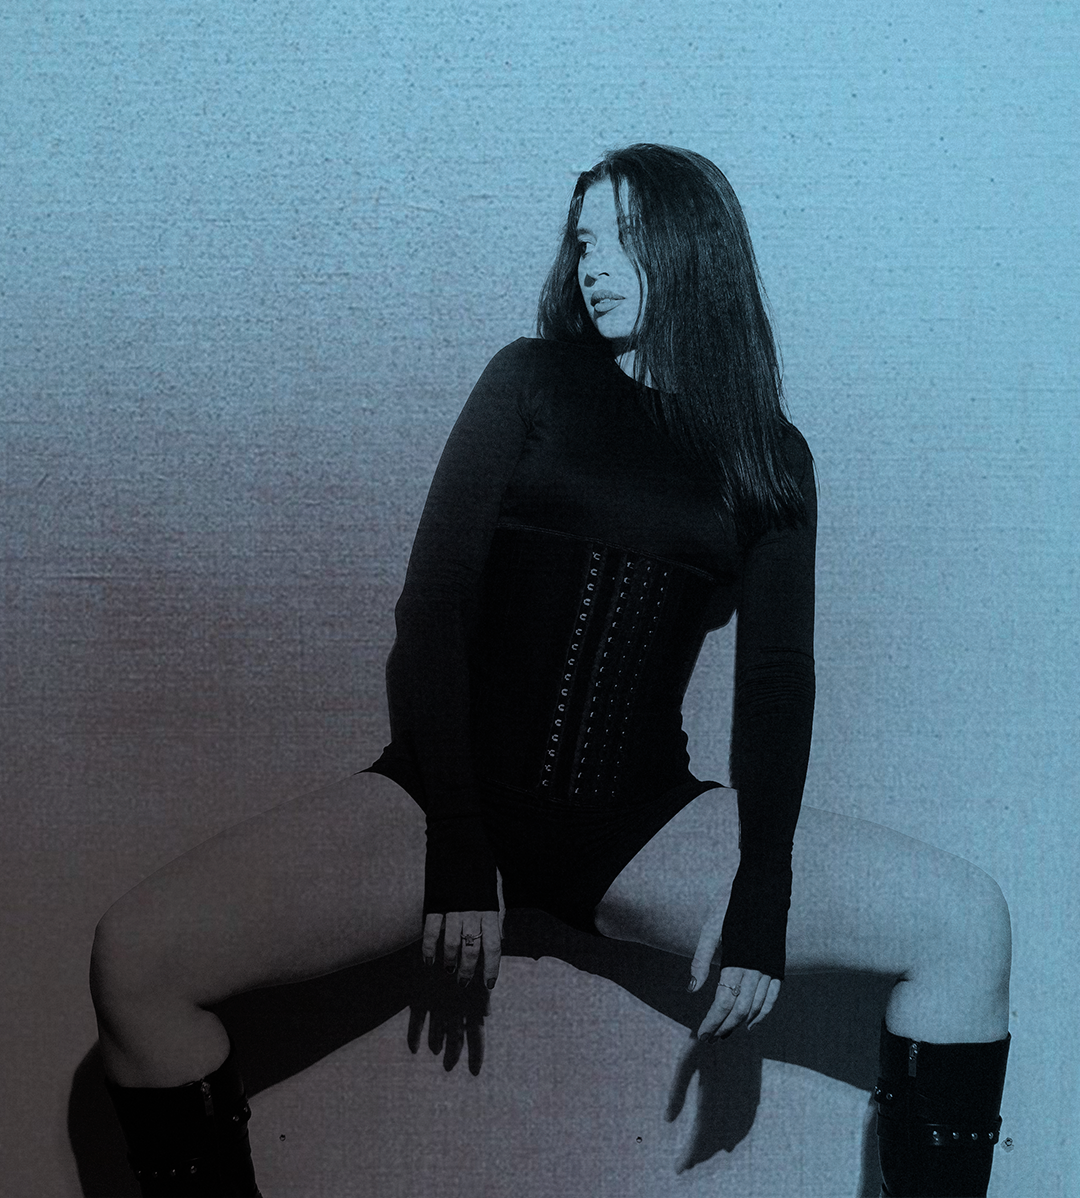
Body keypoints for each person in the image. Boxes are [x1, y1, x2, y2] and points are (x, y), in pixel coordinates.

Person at [90, 144, 1012, 1198]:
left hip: (636, 826)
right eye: (584, 243)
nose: (596, 265)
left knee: (968, 923)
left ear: (694, 247)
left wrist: (764, 895)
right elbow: (432, 610)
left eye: (625, 238)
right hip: (442, 806)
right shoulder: (530, 380)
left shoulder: (768, 453)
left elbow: (775, 682)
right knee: (135, 958)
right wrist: (458, 848)